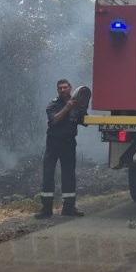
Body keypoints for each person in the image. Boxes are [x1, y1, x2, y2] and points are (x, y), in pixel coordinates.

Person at [36, 79, 85, 218]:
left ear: (70, 88)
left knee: (69, 175)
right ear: (57, 90)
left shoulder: (77, 104)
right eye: (60, 88)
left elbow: (84, 120)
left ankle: (69, 208)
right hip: (54, 143)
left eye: (65, 87)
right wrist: (67, 108)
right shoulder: (53, 104)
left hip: (69, 143)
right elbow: (53, 121)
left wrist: (83, 108)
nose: (63, 90)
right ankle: (46, 209)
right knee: (48, 174)